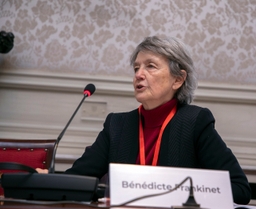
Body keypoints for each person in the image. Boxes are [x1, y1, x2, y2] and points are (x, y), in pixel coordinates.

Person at [37, 36, 251, 204]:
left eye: (150, 66)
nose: (139, 74)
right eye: (136, 68)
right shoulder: (117, 126)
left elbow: (240, 189)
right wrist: (49, 180)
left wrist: (177, 192)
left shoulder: (195, 122)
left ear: (178, 79)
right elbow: (78, 179)